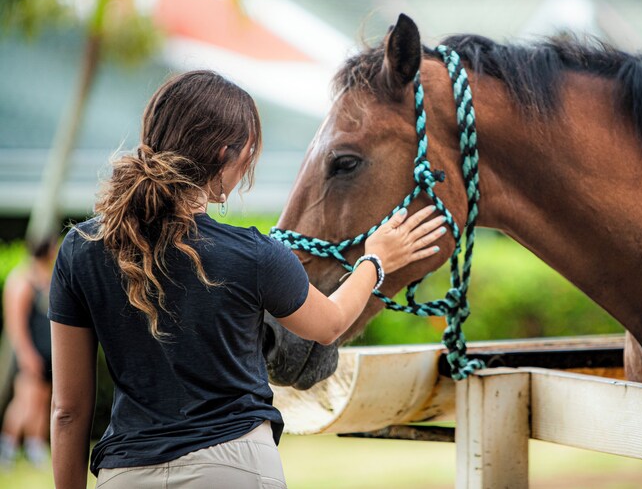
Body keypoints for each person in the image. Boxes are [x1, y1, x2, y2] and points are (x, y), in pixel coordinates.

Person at [48, 70, 445, 489]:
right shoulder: (254, 254)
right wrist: (376, 261)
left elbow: (68, 410)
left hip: (126, 473)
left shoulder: (80, 250)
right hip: (234, 466)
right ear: (224, 154)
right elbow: (329, 325)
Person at [0, 237, 56, 468]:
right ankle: (7, 446)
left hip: (46, 353)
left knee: (43, 402)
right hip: (29, 353)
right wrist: (26, 354)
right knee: (25, 401)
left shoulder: (46, 278)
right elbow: (15, 323)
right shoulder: (22, 280)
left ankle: (35, 446)